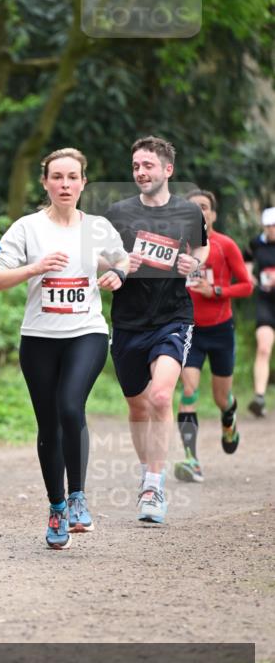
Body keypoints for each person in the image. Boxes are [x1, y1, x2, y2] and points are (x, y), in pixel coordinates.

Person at [0, 148, 128, 549]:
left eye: (72, 177)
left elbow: (124, 261)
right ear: (45, 182)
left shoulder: (98, 226)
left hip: (87, 331)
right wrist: (34, 268)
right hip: (39, 337)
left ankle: (78, 495)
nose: (65, 185)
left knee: (70, 406)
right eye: (57, 177)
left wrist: (117, 273)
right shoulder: (27, 228)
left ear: (84, 182)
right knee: (48, 423)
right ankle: (56, 507)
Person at [105, 136, 208, 525]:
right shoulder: (117, 214)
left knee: (162, 396)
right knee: (138, 405)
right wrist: (118, 264)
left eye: (147, 165)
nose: (140, 172)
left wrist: (192, 266)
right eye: (135, 166)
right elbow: (100, 257)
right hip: (128, 321)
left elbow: (201, 251)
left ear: (168, 170)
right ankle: (150, 472)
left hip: (172, 317)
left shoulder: (188, 213)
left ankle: (152, 485)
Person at [175, 190, 252, 482]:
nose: (199, 211)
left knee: (222, 398)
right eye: (193, 207)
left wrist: (217, 291)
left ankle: (229, 417)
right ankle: (191, 460)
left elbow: (246, 286)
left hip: (221, 330)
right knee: (189, 392)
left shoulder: (225, 245)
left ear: (213, 214)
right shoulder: (178, 246)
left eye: (204, 207)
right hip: (189, 330)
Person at [244, 206, 275, 417]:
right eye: (269, 225)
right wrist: (249, 277)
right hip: (265, 302)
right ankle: (259, 398)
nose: (272, 229)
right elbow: (245, 264)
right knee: (263, 347)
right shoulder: (255, 244)